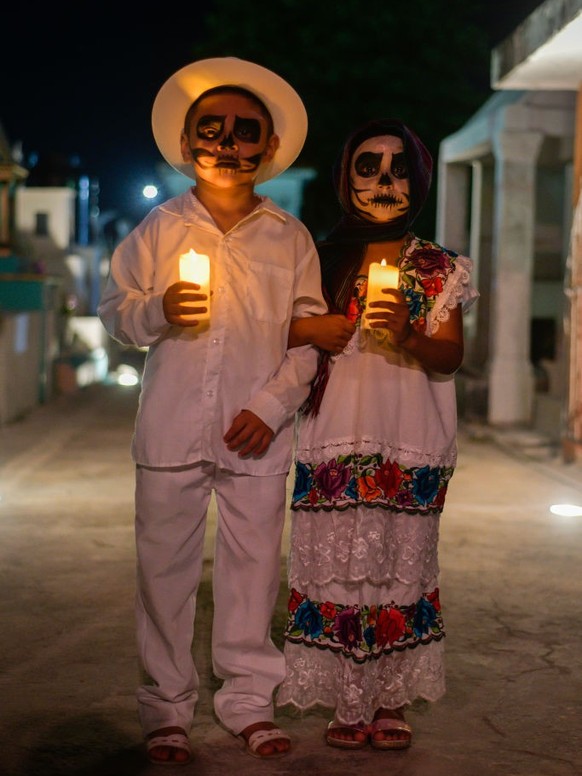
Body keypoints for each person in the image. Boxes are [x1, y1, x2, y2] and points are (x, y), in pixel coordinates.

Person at [97, 57, 326, 765]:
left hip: (255, 433)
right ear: (188, 142)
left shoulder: (289, 239)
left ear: (268, 147)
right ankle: (166, 706)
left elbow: (308, 336)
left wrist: (270, 404)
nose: (227, 143)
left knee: (254, 570)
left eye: (243, 131)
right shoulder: (158, 230)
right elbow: (114, 314)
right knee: (163, 572)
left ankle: (248, 700)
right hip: (170, 427)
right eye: (212, 129)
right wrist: (157, 309)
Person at [276, 119, 479, 750]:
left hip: (409, 435)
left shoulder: (437, 266)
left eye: (398, 170)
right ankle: (346, 702)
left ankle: (389, 700)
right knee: (339, 570)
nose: (384, 181)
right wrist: (309, 332)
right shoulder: (319, 259)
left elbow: (449, 358)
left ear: (417, 183)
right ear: (345, 178)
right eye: (368, 167)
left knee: (398, 569)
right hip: (335, 432)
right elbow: (278, 331)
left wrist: (411, 336)